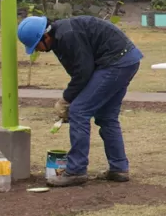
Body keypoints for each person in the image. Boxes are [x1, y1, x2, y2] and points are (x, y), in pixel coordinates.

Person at [17, 15, 143, 187]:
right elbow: (81, 72)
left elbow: (83, 73)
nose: (37, 50)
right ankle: (119, 168)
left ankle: (76, 170)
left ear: (45, 36)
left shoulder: (67, 36)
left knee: (79, 111)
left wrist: (66, 100)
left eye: (36, 45)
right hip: (125, 60)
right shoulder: (61, 36)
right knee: (106, 117)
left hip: (115, 63)